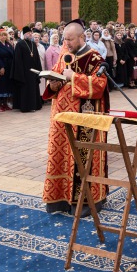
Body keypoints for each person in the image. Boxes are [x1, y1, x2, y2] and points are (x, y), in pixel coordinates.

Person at [42, 20, 109, 216]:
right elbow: (54, 78)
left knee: (82, 159)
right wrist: (53, 84)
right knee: (61, 156)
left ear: (81, 37)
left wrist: (73, 77)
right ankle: (59, 200)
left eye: (70, 39)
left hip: (83, 119)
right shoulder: (64, 55)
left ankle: (85, 202)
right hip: (61, 119)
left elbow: (100, 86)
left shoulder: (94, 58)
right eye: (65, 39)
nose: (67, 43)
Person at [11, 26, 43, 112]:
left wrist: (39, 70)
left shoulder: (33, 44)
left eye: (30, 33)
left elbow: (37, 58)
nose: (30, 34)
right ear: (24, 34)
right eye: (28, 33)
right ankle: (25, 107)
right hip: (24, 71)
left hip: (33, 71)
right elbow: (17, 60)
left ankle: (34, 105)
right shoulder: (20, 44)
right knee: (25, 89)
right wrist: (20, 72)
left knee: (33, 89)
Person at [0, 29, 15, 112]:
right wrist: (1, 67)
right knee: (1, 86)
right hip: (1, 66)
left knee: (8, 85)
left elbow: (13, 54)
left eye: (5, 35)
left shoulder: (8, 44)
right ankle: (0, 105)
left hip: (9, 67)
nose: (3, 36)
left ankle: (5, 104)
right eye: (1, 35)